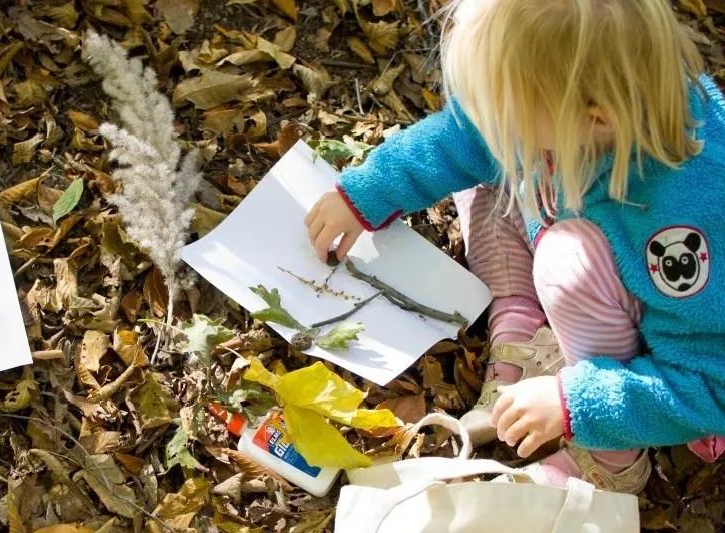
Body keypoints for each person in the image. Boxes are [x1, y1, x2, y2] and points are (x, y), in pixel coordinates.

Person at [304, 0, 724, 493]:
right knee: (487, 162)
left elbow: (711, 385)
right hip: (583, 222)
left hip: (659, 345)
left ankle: (611, 459)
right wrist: (370, 191)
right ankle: (522, 323)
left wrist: (578, 402)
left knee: (567, 261)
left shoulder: (685, 218)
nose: (486, 118)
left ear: (595, 117)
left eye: (500, 108)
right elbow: (463, 138)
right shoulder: (586, 98)